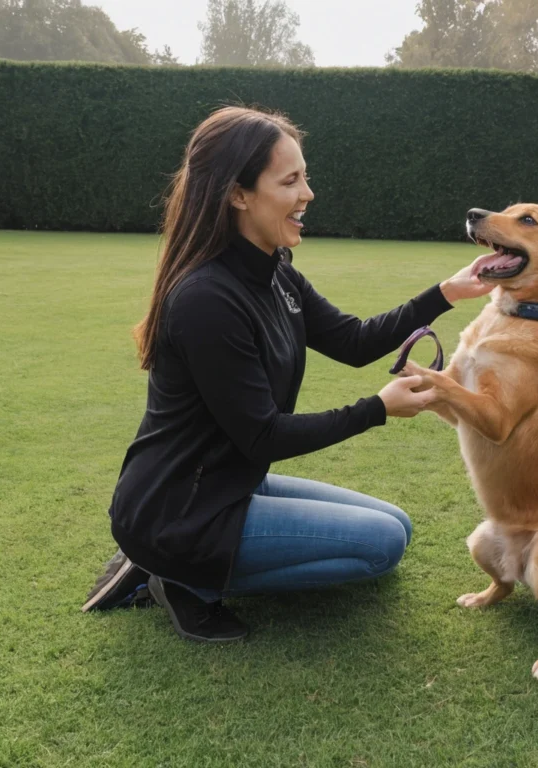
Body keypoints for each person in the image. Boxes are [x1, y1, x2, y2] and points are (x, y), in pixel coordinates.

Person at [82, 106, 493, 642]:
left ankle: (179, 564)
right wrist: (377, 408)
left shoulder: (275, 268)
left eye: (306, 177)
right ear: (238, 194)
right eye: (291, 180)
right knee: (381, 547)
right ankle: (179, 577)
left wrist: (445, 293)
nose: (308, 194)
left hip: (230, 482)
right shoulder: (207, 300)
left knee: (399, 525)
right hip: (182, 510)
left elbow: (353, 340)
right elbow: (263, 433)